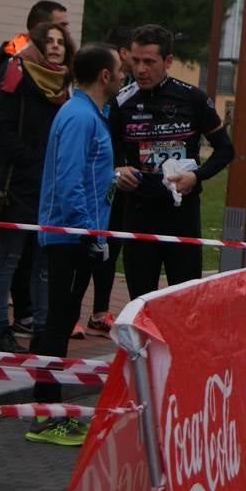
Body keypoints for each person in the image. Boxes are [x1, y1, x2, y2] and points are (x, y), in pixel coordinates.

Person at [28, 44, 120, 446]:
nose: (123, 76)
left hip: (75, 235)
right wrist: (88, 234)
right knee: (57, 322)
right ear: (104, 75)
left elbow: (87, 175)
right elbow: (69, 182)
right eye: (119, 70)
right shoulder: (81, 116)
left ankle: (51, 411)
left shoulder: (87, 114)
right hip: (69, 237)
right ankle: (46, 417)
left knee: (60, 321)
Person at [110, 25, 233, 298]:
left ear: (168, 62)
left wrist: (196, 177)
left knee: (185, 302)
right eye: (136, 61)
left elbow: (225, 150)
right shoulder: (121, 102)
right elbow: (108, 152)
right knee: (140, 302)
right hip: (139, 213)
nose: (141, 69)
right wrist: (117, 171)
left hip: (182, 214)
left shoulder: (193, 99)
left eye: (149, 62)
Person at [0, 23, 73, 352]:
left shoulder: (65, 84)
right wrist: (30, 160)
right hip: (18, 181)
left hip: (50, 185)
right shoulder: (17, 74)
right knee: (8, 255)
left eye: (60, 42)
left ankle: (42, 326)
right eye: (48, 41)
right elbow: (0, 126)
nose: (55, 47)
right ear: (36, 44)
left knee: (43, 259)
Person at [85, 24, 136, 338]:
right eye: (134, 54)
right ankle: (69, 316)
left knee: (111, 247)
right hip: (99, 184)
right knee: (89, 250)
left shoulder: (130, 88)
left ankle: (100, 311)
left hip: (122, 184)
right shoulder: (96, 101)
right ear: (122, 54)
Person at [0, 0, 69, 65]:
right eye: (61, 26)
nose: (67, 31)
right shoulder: (15, 57)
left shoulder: (65, 54)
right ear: (40, 27)